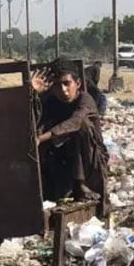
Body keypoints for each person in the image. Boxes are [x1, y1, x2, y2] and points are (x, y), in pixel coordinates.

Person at [32, 58, 110, 215]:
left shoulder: (85, 100)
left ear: (78, 84)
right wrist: (34, 94)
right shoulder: (51, 101)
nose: (63, 90)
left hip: (91, 161)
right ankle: (41, 187)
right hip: (62, 161)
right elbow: (31, 120)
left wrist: (41, 138)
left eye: (67, 83)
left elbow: (75, 122)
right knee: (42, 127)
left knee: (82, 126)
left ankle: (81, 185)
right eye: (57, 85)